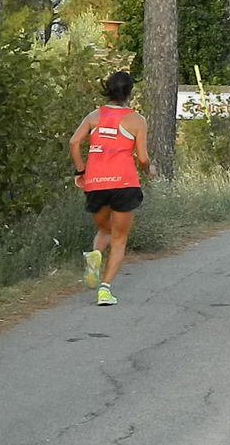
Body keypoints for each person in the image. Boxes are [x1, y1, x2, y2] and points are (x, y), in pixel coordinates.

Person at [69, 71, 155, 305]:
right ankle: (105, 289)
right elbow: (143, 158)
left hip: (95, 182)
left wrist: (80, 171)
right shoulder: (136, 120)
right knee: (119, 238)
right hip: (124, 183)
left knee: (104, 230)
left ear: (107, 88)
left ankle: (95, 256)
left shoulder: (94, 116)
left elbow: (74, 142)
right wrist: (150, 171)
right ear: (130, 92)